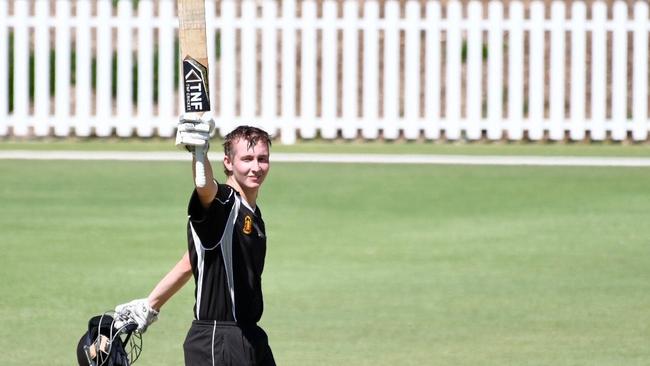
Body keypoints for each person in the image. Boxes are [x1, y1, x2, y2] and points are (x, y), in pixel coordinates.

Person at [115, 116, 276, 366]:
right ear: (228, 162)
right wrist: (199, 152)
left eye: (262, 159)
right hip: (217, 339)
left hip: (249, 336)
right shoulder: (224, 202)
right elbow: (205, 187)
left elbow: (191, 262)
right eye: (247, 159)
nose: (256, 167)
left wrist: (150, 305)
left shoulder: (252, 214)